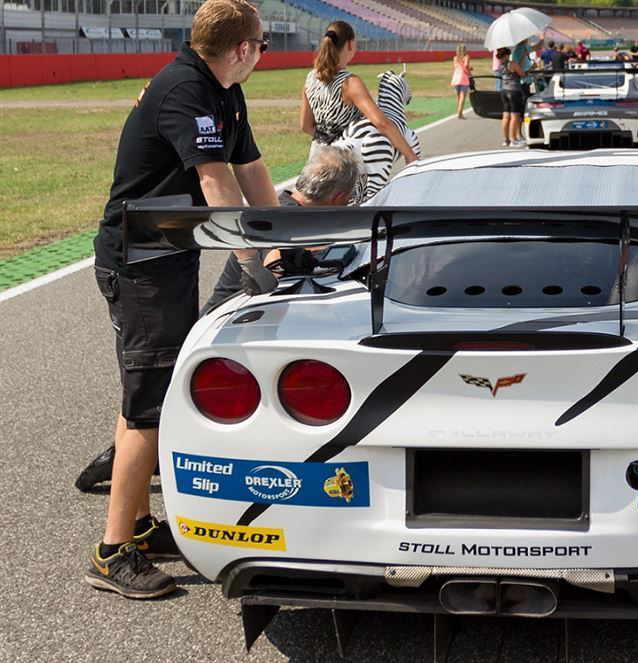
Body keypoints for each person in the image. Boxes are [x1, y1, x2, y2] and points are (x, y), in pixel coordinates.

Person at [88, 0, 278, 599]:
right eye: (263, 45)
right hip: (140, 262)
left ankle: (141, 527)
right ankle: (112, 552)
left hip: (166, 252)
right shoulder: (185, 89)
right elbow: (215, 182)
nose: (262, 54)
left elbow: (252, 170)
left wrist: (287, 243)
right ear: (243, 49)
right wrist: (253, 260)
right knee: (150, 402)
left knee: (146, 391)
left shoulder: (224, 91)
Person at [201, 146, 361, 312]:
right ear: (339, 198)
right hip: (228, 315)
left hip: (240, 311)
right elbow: (273, 262)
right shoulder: (293, 223)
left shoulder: (278, 205)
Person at [301, 21, 418, 165]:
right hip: (343, 162)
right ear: (350, 44)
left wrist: (326, 139)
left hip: (316, 157)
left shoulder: (310, 79)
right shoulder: (350, 83)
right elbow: (382, 123)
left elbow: (305, 125)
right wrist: (411, 155)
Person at [496, 46, 526, 147]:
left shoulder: (500, 65)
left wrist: (521, 59)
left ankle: (506, 140)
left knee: (505, 117)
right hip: (514, 91)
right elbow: (522, 74)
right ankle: (514, 140)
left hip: (504, 91)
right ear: (506, 55)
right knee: (514, 117)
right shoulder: (512, 63)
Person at [451, 43, 471, 119]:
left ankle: (459, 112)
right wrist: (469, 73)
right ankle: (460, 113)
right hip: (464, 78)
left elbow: (455, 67)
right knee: (462, 96)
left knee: (458, 96)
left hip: (456, 78)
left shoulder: (455, 58)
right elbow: (465, 65)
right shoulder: (467, 57)